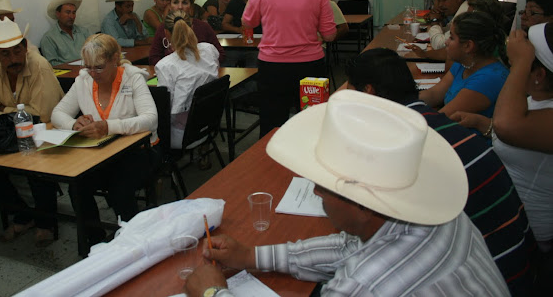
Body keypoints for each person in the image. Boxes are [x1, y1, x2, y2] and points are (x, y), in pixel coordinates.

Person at [185, 90, 508, 297]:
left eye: (324, 186)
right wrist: (250, 256)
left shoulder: (360, 287)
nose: (314, 190)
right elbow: (349, 247)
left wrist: (213, 293)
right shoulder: (440, 216)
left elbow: (356, 263)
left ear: (363, 206)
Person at [346, 48, 536, 295]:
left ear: (368, 92)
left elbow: (373, 229)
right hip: (515, 263)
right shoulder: (431, 122)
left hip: (488, 279)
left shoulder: (403, 145)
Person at [451, 24, 553, 256]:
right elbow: (519, 139)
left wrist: (520, 62)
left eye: (517, 63)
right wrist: (480, 123)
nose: (510, 65)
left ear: (538, 75)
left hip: (525, 233)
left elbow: (507, 126)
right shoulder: (535, 101)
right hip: (504, 209)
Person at [51, 34, 158, 246]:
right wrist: (74, 124)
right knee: (77, 186)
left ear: (115, 60)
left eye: (99, 67)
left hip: (138, 151)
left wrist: (109, 126)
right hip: (102, 153)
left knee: (120, 190)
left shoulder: (132, 78)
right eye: (88, 66)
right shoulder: (83, 81)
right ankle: (95, 241)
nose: (93, 73)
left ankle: (134, 241)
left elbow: (150, 120)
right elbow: (58, 113)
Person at [0, 18, 64, 247]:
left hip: (45, 130)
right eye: (5, 54)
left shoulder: (39, 65)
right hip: (9, 132)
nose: (13, 59)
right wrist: (14, 115)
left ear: (25, 47)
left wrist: (2, 110)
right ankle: (23, 215)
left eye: (17, 51)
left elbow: (41, 115)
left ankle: (46, 221)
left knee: (38, 164)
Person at [242, 0, 337, 137]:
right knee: (313, 121)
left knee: (272, 123)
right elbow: (329, 35)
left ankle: (272, 166)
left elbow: (247, 22)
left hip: (272, 68)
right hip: (310, 65)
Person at [420, 11, 508, 120]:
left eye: (451, 38)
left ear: (468, 46)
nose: (446, 42)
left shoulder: (489, 78)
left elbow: (441, 119)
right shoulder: (463, 63)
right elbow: (434, 94)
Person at [155, 10, 219, 147]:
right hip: (209, 125)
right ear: (192, 28)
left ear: (166, 33)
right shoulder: (209, 50)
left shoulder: (165, 65)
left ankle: (164, 166)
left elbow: (167, 109)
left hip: (183, 134)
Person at [149, 0, 225, 65]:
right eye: (175, 2)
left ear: (191, 6)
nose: (180, 7)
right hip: (171, 73)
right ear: (170, 6)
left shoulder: (203, 27)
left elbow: (220, 54)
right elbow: (154, 57)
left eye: (185, 3)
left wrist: (202, 65)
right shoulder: (163, 28)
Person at [40, 0, 92, 65]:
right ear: (58, 14)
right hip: (67, 75)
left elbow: (96, 51)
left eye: (74, 13)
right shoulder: (49, 38)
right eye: (68, 12)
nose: (71, 16)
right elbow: (52, 65)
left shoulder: (84, 32)